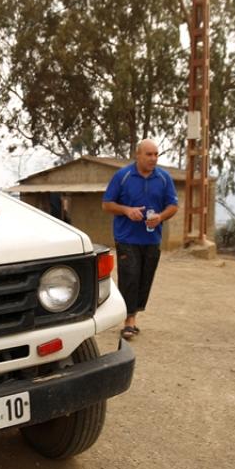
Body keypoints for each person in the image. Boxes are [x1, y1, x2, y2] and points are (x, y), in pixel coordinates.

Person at [101, 139, 179, 339]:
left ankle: (133, 315)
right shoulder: (123, 176)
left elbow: (173, 206)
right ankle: (129, 321)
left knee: (145, 279)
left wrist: (160, 217)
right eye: (149, 154)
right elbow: (107, 204)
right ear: (138, 155)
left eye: (156, 154)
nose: (153, 158)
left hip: (152, 239)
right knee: (130, 276)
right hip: (126, 237)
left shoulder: (164, 178)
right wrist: (126, 210)